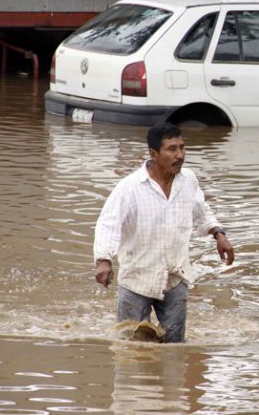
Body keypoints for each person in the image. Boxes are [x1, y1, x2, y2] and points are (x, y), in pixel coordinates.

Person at [93, 122, 234, 343]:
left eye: (182, 148)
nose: (180, 155)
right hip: (138, 279)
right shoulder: (129, 187)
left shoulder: (188, 180)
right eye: (172, 149)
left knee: (174, 347)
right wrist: (104, 260)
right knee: (130, 347)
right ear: (154, 154)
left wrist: (218, 233)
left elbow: (201, 210)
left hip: (175, 279)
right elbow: (109, 224)